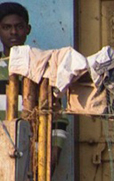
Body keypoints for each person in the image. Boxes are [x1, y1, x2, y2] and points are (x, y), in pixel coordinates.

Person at [0, 2, 67, 170]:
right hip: (0, 150)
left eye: (19, 27)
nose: (13, 32)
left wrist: (55, 151)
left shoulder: (42, 66)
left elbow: (58, 115)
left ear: (28, 29)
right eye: (6, 27)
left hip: (34, 151)